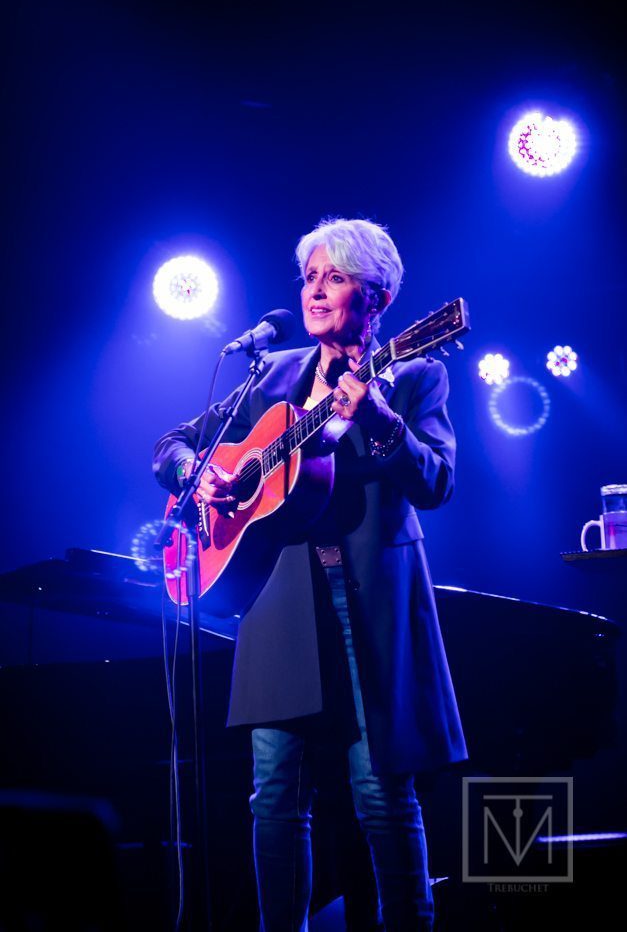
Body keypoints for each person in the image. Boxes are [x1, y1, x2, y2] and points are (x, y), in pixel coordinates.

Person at [153, 217, 467, 931]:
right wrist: (197, 479)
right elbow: (171, 445)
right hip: (279, 598)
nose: (316, 291)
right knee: (273, 797)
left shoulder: (417, 371)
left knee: (381, 795)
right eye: (309, 277)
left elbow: (438, 482)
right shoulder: (273, 373)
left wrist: (380, 416)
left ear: (377, 296)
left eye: (335, 277)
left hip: (371, 605)